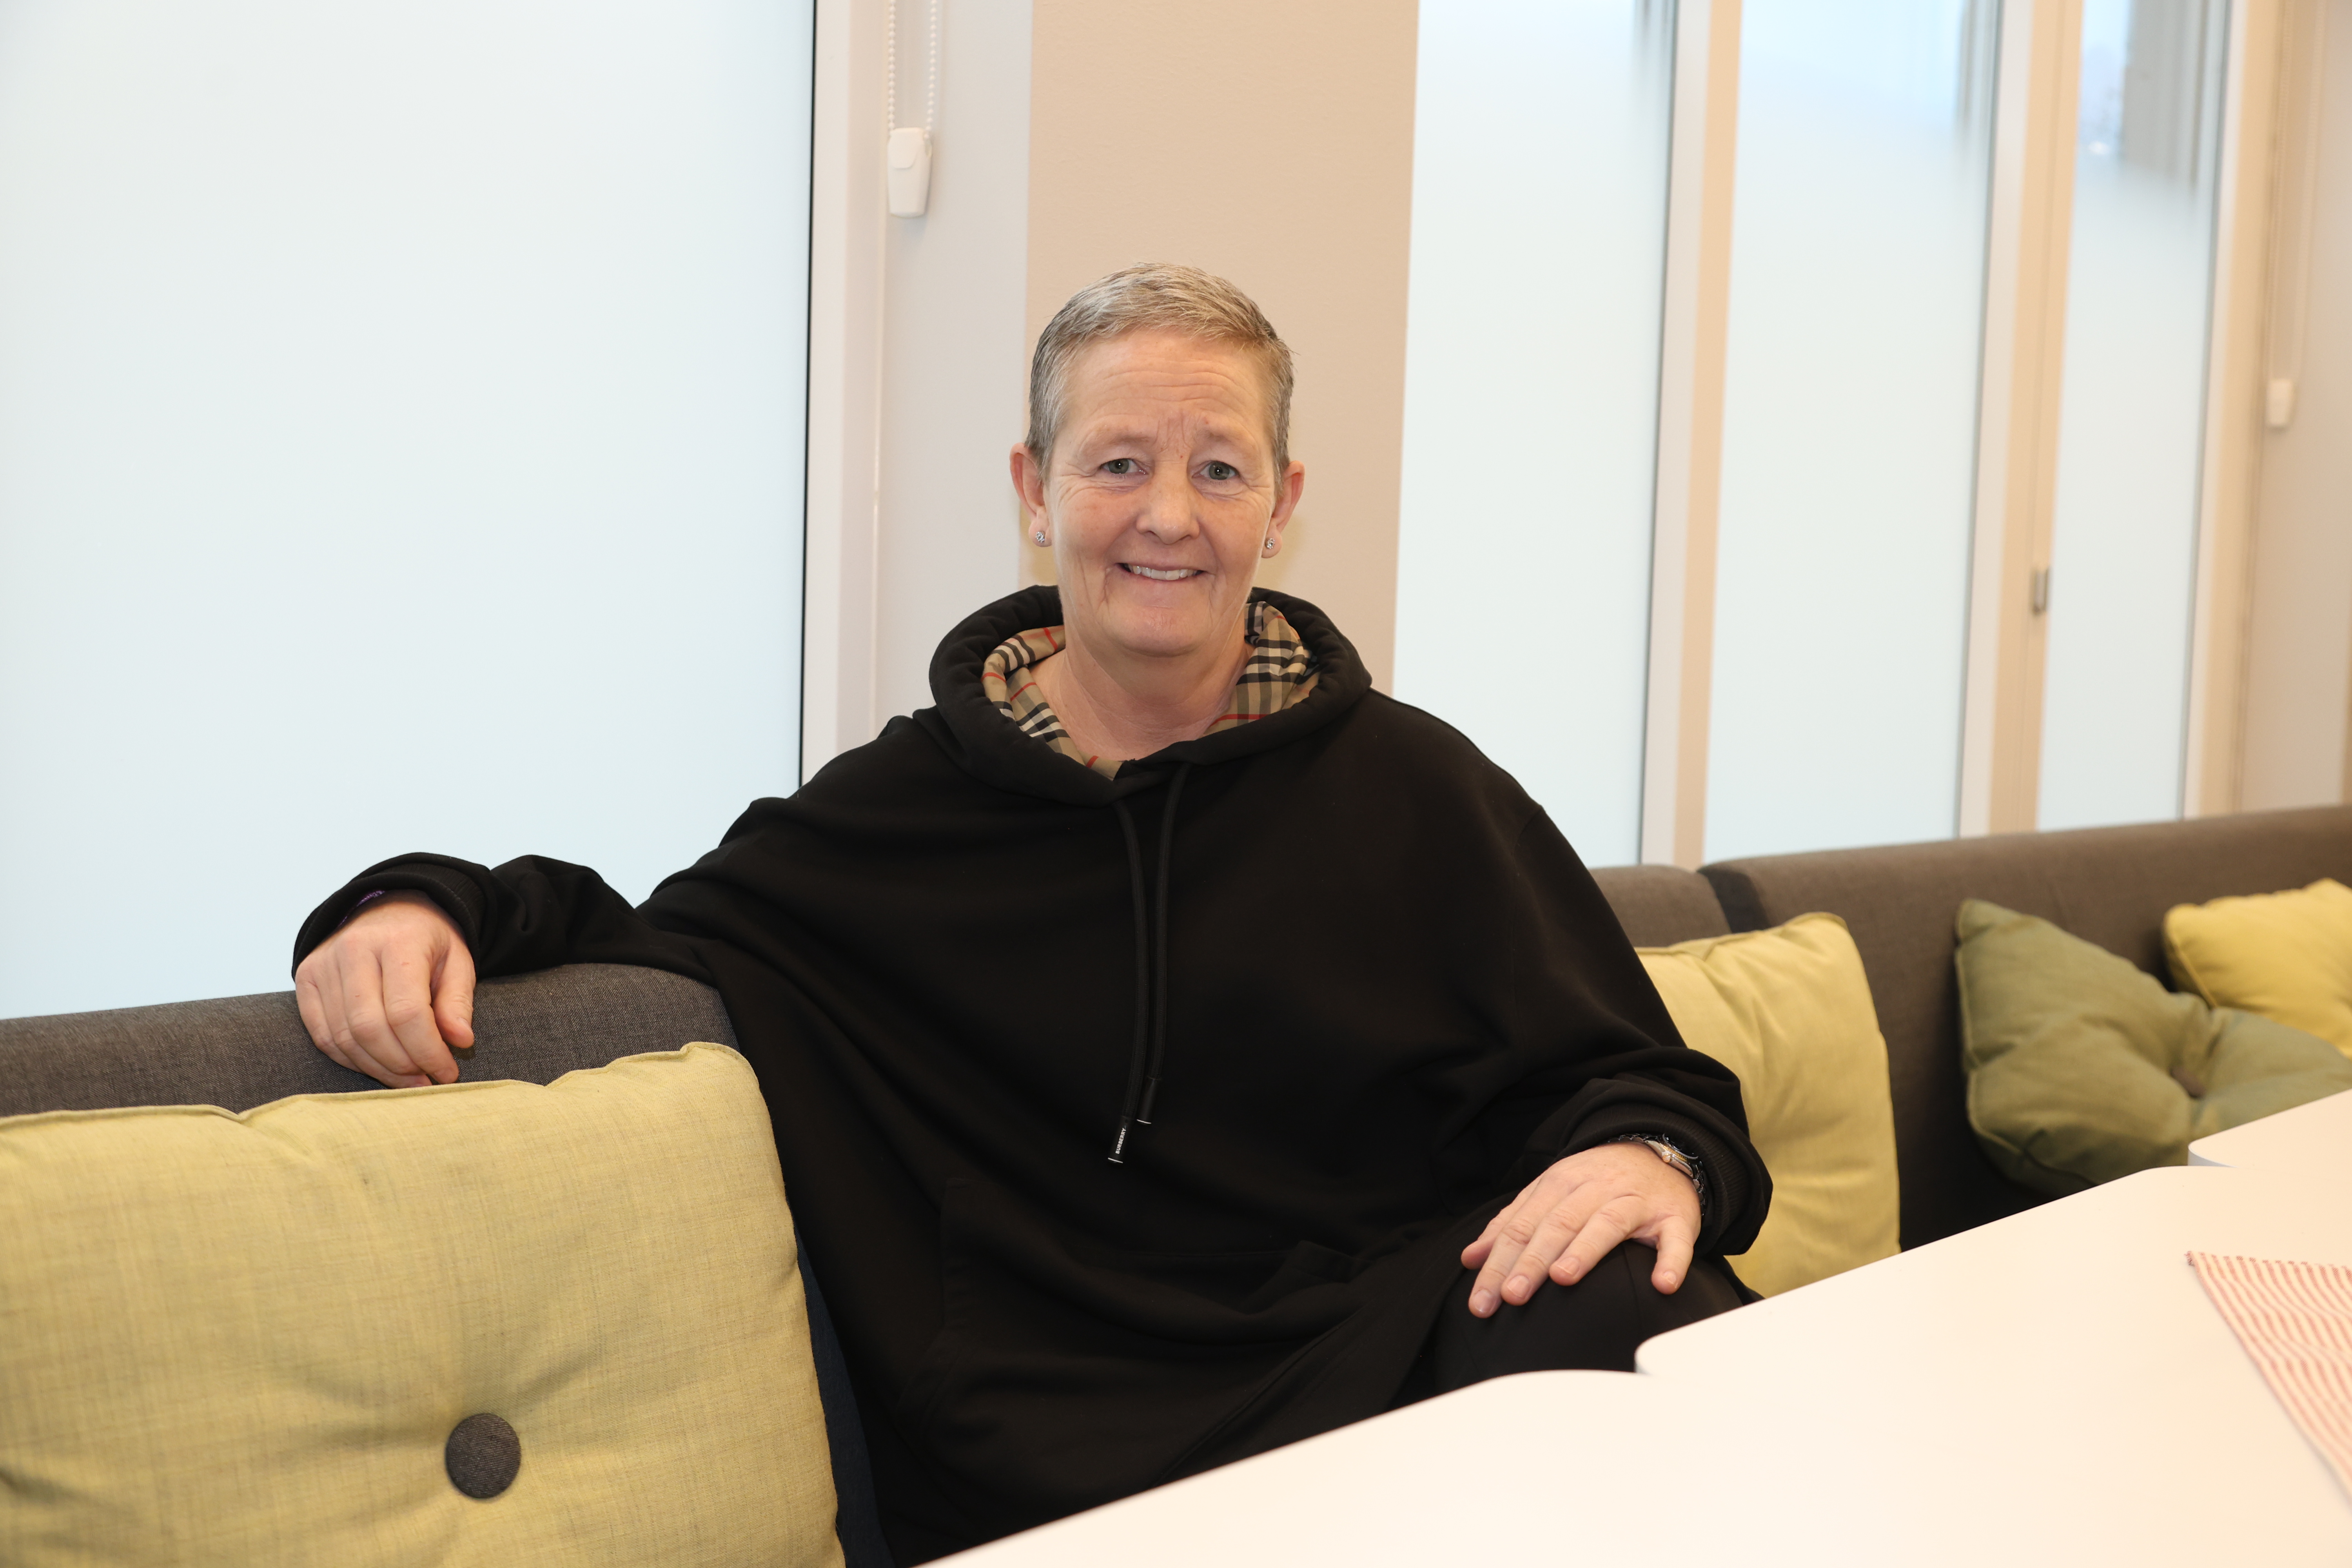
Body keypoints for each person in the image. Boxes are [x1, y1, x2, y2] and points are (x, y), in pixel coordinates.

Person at [294, 263, 1768, 1563]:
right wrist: (423, 903)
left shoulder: (1418, 789)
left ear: (1282, 504)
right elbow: (644, 928)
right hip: (1050, 1446)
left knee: (1630, 1298)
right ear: (1034, 488)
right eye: (1119, 462)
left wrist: (1652, 1157)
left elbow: (1640, 1074)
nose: (1168, 517)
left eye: (1219, 469)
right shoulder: (901, 812)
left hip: (1374, 1373)